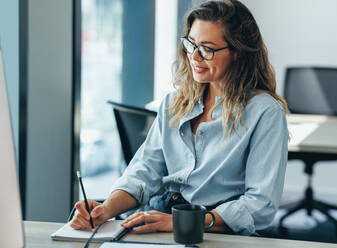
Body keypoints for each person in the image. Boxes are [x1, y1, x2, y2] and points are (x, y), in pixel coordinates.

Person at [71, 0, 289, 236]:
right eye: (190, 44)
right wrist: (106, 209)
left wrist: (183, 222)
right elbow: (144, 171)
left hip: (214, 229)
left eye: (207, 48)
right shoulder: (173, 103)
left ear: (237, 52)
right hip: (160, 217)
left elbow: (260, 205)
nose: (194, 56)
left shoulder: (265, 113)